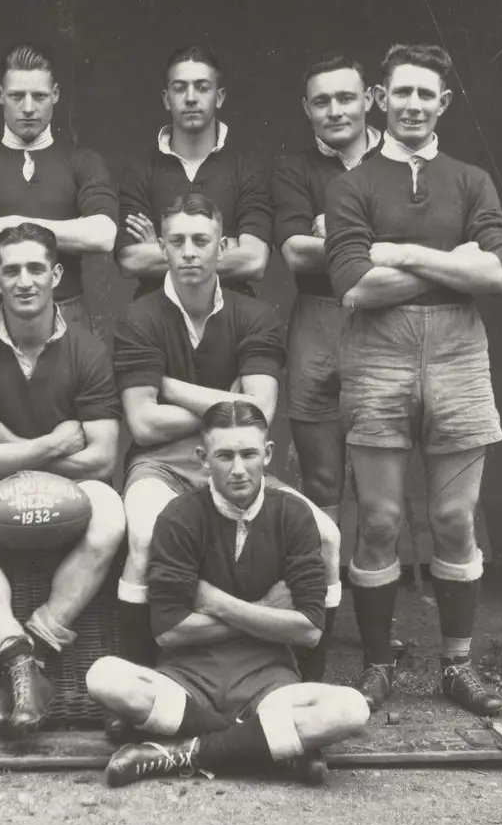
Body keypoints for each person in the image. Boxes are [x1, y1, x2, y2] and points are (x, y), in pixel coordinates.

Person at [325, 44, 502, 716]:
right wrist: (452, 260)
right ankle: (377, 666)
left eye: (424, 94)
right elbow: (355, 284)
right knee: (378, 518)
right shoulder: (353, 184)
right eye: (399, 92)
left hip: (460, 352)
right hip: (377, 353)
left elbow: (497, 274)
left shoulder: (470, 179)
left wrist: (403, 251)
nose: (411, 104)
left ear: (443, 103)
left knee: (454, 517)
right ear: (380, 98)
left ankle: (457, 665)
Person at [113, 193, 339, 692]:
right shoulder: (140, 317)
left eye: (201, 240)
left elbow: (257, 415)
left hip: (241, 464)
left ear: (223, 247)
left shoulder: (254, 314)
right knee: (146, 538)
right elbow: (144, 425)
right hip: (161, 465)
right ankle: (140, 683)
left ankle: (308, 683)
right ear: (162, 249)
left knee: (326, 536)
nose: (189, 252)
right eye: (177, 241)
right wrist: (227, 400)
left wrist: (170, 386)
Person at [86, 402, 370, 788]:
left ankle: (181, 753)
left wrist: (219, 604)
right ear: (203, 459)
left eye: (249, 454)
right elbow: (169, 632)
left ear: (267, 455)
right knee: (104, 677)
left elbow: (309, 631)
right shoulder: (178, 516)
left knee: (351, 710)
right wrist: (267, 613)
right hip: (187, 682)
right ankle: (263, 745)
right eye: (224, 456)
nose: (238, 469)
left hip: (268, 684)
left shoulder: (293, 515)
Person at [0, 223, 127, 737]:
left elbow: (102, 458)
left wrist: (8, 445)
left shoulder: (88, 351)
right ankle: (11, 647)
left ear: (56, 274)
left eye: (35, 269)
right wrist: (48, 445)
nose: (24, 281)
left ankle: (37, 649)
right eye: (11, 271)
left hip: (71, 484)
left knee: (110, 512)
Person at [269, 53, 381, 681]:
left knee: (379, 490)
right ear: (307, 108)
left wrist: (331, 232)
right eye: (321, 101)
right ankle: (317, 641)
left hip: (384, 324)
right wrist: (366, 239)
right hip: (316, 321)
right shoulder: (293, 169)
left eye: (346, 98)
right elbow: (294, 253)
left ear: (370, 99)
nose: (335, 111)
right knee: (320, 485)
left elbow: (325, 247)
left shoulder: (398, 164)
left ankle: (377, 651)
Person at [0, 43, 117, 332]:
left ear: (55, 95)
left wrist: (15, 224)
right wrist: (67, 232)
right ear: (1, 95)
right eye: (17, 96)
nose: (28, 108)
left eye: (39, 96)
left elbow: (103, 235)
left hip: (67, 315)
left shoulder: (84, 162)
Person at [115, 46, 272, 300]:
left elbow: (254, 261)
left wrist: (160, 248)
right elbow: (130, 261)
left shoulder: (246, 169)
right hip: (155, 321)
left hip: (231, 322)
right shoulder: (140, 170)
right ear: (166, 98)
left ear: (219, 97)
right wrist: (225, 247)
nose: (190, 97)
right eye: (179, 88)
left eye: (202, 87)